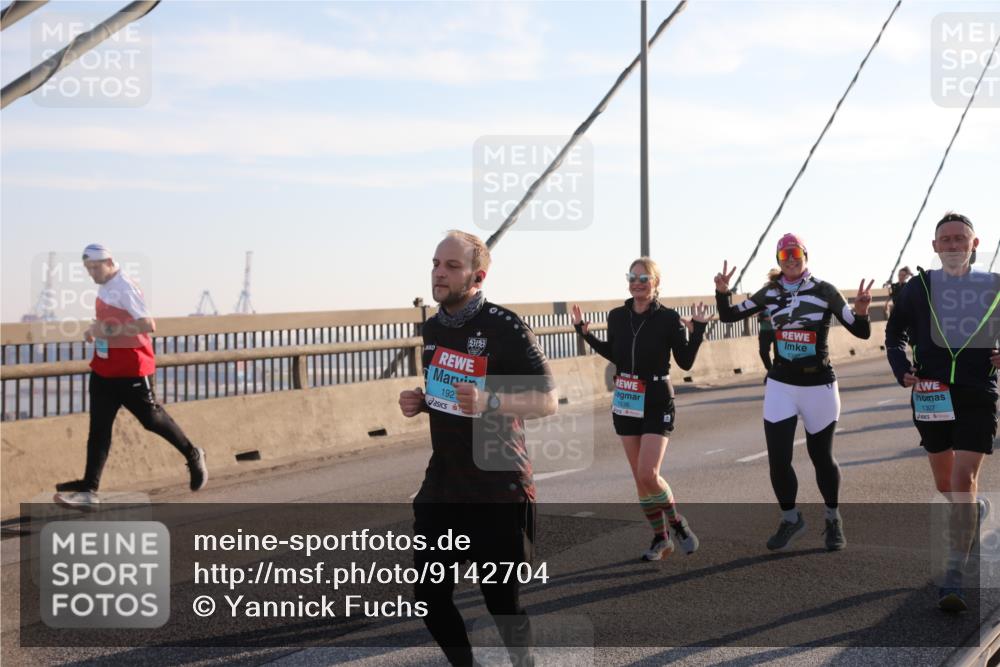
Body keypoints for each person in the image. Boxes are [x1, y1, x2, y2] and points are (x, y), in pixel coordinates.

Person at [398, 230, 558, 667]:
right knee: (429, 597)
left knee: (500, 601)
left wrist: (491, 400)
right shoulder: (432, 328)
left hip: (498, 483)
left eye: (452, 266)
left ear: (478, 276)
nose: (439, 273)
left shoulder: (505, 326)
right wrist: (422, 401)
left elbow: (548, 401)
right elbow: (451, 396)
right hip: (445, 484)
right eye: (436, 264)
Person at [714, 234, 873, 551]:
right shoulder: (770, 292)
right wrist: (722, 292)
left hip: (819, 385)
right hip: (781, 384)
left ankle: (833, 518)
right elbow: (730, 315)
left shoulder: (825, 290)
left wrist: (862, 311)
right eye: (784, 255)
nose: (790, 259)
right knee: (778, 459)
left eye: (795, 253)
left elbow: (861, 331)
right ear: (778, 259)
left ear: (805, 255)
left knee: (821, 457)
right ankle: (790, 518)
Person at [885, 212, 1000, 612]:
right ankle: (972, 512)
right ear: (935, 246)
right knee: (946, 483)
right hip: (931, 395)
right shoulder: (917, 289)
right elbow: (894, 332)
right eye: (946, 239)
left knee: (964, 479)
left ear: (974, 244)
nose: (953, 245)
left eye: (960, 239)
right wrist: (901, 368)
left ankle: (954, 574)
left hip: (977, 394)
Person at [571, 257, 709, 561]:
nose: (637, 283)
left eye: (643, 279)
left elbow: (685, 361)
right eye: (632, 277)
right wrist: (585, 333)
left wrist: (698, 330)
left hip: (657, 397)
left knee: (649, 473)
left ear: (656, 283)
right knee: (640, 478)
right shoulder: (617, 316)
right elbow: (615, 353)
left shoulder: (669, 319)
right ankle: (661, 538)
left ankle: (677, 523)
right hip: (626, 398)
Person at [54, 244, 207, 509]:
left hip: (131, 369)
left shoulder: (125, 286)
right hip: (104, 368)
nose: (91, 273)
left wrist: (106, 330)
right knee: (99, 430)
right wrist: (95, 329)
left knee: (151, 419)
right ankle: (89, 490)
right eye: (88, 269)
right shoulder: (105, 286)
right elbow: (111, 322)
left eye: (95, 267)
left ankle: (193, 454)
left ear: (109, 262)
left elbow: (147, 324)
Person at [757, 269, 782, 373]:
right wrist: (761, 316)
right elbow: (757, 310)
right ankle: (770, 370)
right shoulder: (765, 291)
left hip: (777, 330)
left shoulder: (783, 292)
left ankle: (777, 372)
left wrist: (772, 318)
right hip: (765, 330)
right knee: (763, 352)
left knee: (778, 354)